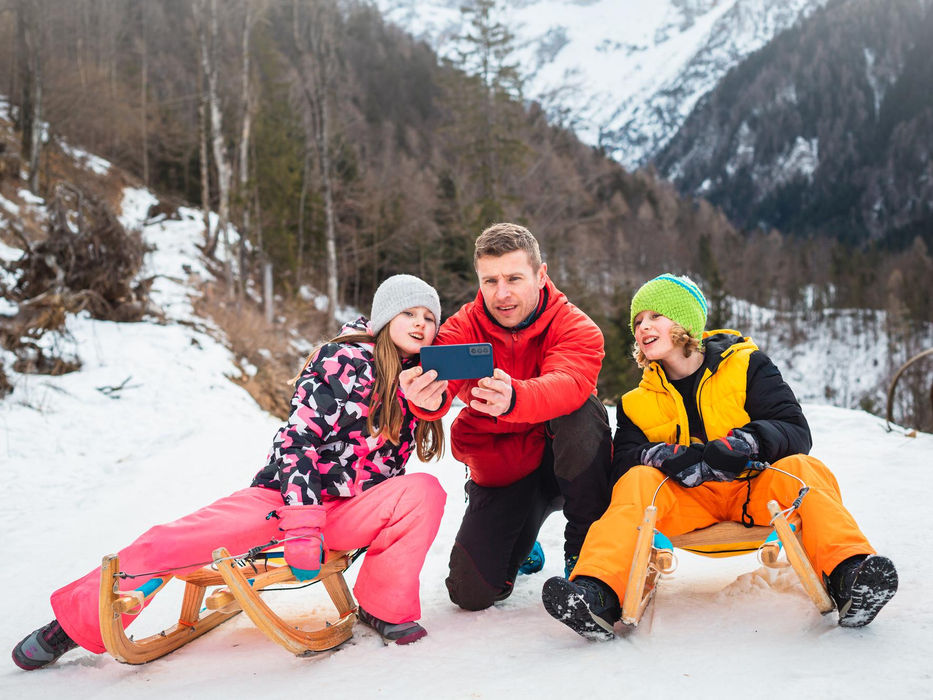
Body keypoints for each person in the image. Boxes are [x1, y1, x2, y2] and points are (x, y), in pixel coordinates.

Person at [13, 274, 448, 670]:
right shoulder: (345, 360)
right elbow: (296, 441)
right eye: (408, 312)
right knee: (172, 541)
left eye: (429, 317)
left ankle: (384, 607)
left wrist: (427, 403)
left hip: (352, 511)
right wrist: (301, 524)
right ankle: (71, 625)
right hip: (286, 503)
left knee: (424, 490)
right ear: (384, 316)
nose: (419, 324)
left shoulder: (418, 380)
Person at [542, 273, 898, 639]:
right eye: (637, 321)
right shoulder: (637, 401)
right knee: (635, 482)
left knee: (802, 470)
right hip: (686, 501)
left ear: (684, 322)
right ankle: (597, 593)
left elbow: (794, 429)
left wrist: (749, 442)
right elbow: (625, 463)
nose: (642, 326)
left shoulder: (747, 366)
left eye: (654, 316)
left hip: (754, 490)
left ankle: (851, 575)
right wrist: (667, 456)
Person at [400, 223, 613, 611]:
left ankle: (586, 555)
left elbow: (569, 383)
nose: (502, 294)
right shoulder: (463, 328)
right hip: (506, 470)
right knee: (470, 593)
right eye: (490, 280)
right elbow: (438, 385)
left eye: (514, 278)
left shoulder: (575, 326)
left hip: (568, 465)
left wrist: (515, 397)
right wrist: (425, 400)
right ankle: (521, 537)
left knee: (581, 411)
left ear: (541, 274)